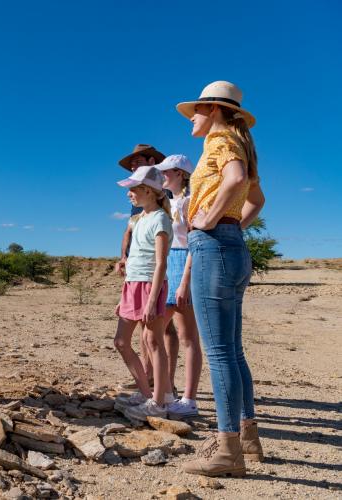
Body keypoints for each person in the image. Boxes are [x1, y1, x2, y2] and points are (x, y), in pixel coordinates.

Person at [176, 81, 266, 477]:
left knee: (220, 353)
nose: (191, 118)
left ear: (212, 110)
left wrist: (209, 221)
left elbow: (234, 178)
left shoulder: (219, 140)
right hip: (231, 246)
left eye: (196, 110)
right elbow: (255, 198)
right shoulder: (240, 139)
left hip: (214, 246)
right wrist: (233, 227)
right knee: (233, 350)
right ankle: (247, 437)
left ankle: (228, 450)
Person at [112, 165, 174, 421]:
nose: (129, 194)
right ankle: (146, 392)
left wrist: (151, 300)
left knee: (153, 342)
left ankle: (158, 402)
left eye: (133, 189)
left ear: (148, 191)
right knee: (121, 341)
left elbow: (161, 263)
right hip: (133, 284)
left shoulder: (160, 219)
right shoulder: (140, 219)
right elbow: (136, 256)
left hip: (150, 286)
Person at [155, 154, 202, 418]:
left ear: (181, 174)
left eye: (167, 171)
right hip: (166, 263)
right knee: (156, 331)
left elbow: (195, 243)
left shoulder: (190, 203)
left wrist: (185, 280)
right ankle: (165, 392)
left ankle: (189, 399)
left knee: (187, 336)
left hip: (184, 262)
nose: (162, 175)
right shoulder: (166, 203)